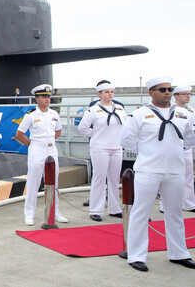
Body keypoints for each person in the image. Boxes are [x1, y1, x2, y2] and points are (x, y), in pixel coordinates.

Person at [120, 76, 195, 272]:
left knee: (175, 212)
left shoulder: (183, 114)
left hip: (175, 170)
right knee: (141, 212)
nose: (167, 93)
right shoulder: (139, 114)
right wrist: (149, 152)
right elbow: (126, 140)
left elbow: (190, 139)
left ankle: (179, 253)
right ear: (151, 92)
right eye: (162, 89)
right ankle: (136, 256)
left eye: (169, 89)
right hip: (148, 170)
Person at [15, 84, 68, 226]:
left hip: (51, 150)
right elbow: (19, 134)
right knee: (33, 182)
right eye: (44, 97)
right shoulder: (30, 115)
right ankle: (29, 214)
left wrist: (49, 142)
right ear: (37, 98)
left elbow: (58, 131)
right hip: (36, 150)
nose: (47, 99)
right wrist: (31, 144)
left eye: (48, 96)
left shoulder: (54, 114)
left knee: (54, 182)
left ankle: (55, 212)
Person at [77, 82, 125, 221]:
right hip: (100, 148)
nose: (110, 94)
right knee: (99, 178)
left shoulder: (120, 108)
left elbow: (125, 125)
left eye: (111, 91)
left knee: (115, 179)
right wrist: (96, 133)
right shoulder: (94, 110)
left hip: (117, 147)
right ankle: (96, 210)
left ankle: (114, 208)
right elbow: (82, 128)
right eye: (106, 92)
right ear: (99, 94)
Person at [158, 85, 195, 213]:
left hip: (186, 147)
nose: (188, 96)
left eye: (189, 94)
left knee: (188, 176)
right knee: (167, 176)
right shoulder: (169, 109)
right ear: (177, 96)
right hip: (172, 147)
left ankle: (188, 204)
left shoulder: (191, 111)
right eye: (184, 94)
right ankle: (164, 205)